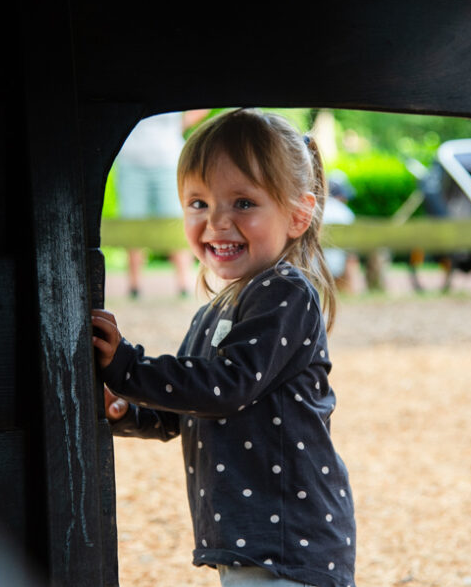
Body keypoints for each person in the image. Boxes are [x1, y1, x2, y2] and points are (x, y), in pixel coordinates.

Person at [92, 109, 357, 587]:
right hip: (251, 539)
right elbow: (184, 410)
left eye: (243, 203)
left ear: (299, 214)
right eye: (198, 203)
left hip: (289, 541)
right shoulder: (215, 311)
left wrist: (128, 366)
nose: (217, 221)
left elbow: (225, 388)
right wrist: (125, 410)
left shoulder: (285, 293)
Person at [116, 110, 206, 298]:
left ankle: (184, 283)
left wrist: (179, 125)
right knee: (132, 224)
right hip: (130, 161)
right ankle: (134, 285)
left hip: (168, 161)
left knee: (175, 221)